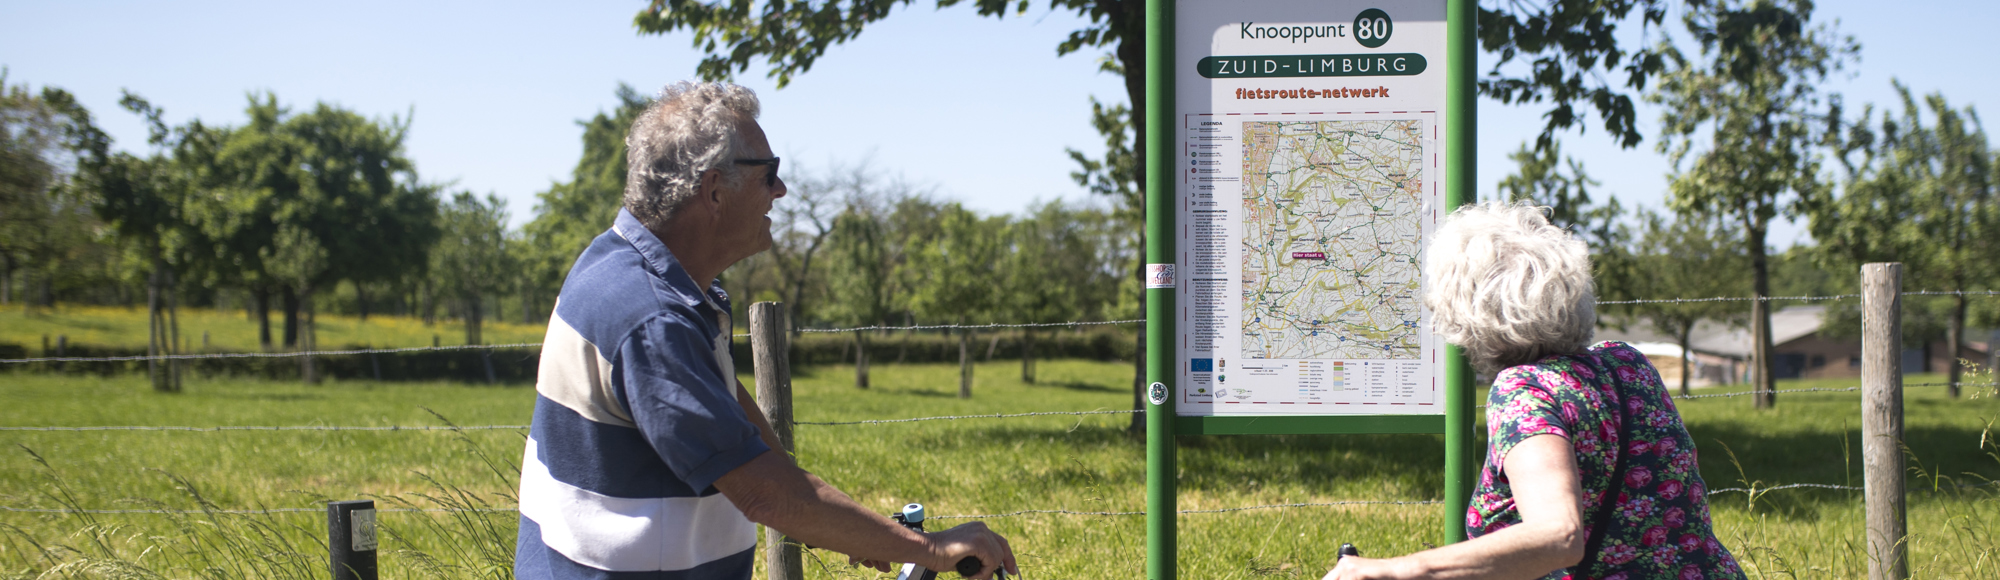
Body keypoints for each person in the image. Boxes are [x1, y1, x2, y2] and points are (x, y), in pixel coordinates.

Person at [515, 81, 1018, 580]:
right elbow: (763, 492)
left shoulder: (624, 265)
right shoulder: (654, 318)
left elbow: (729, 412)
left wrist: (847, 527)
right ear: (714, 190)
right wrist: (928, 547)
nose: (780, 189)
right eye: (768, 174)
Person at [1323, 201, 1744, 580]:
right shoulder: (1627, 363)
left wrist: (1396, 571)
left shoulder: (1524, 391)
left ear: (1465, 312)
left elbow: (1559, 535)